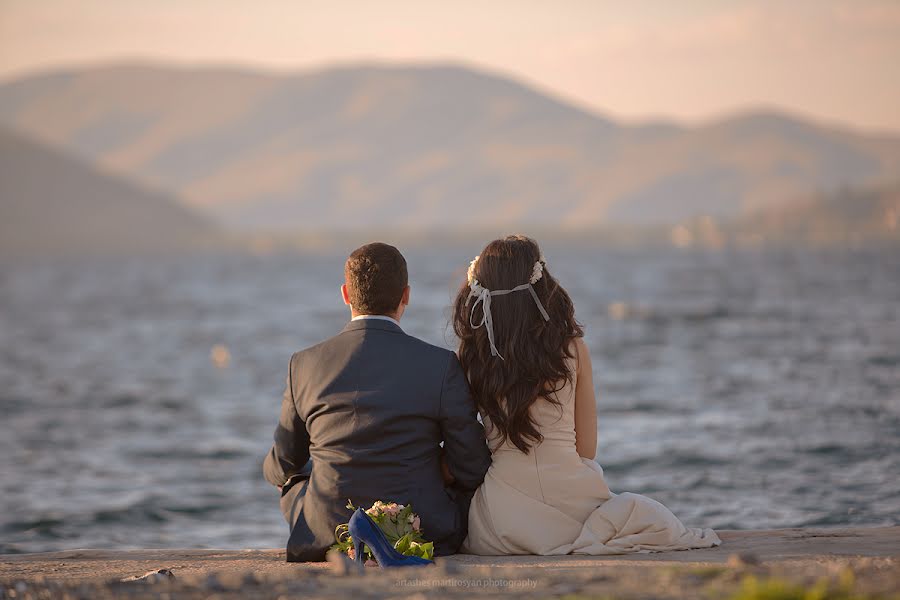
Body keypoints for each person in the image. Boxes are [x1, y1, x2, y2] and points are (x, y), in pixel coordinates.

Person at [453, 235, 721, 555]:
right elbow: (586, 448)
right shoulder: (572, 349)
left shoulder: (470, 356)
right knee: (647, 515)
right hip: (573, 508)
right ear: (541, 284)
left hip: (501, 522)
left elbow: (464, 443)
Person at [263, 242, 492, 562]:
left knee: (292, 477)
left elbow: (283, 463)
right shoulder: (440, 365)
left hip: (327, 530)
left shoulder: (303, 364)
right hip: (421, 530)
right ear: (406, 296)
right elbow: (472, 466)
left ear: (345, 294)